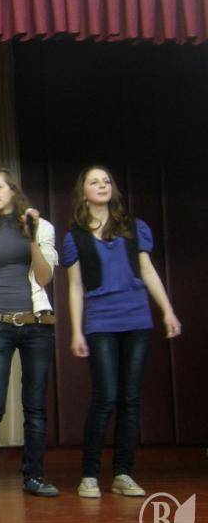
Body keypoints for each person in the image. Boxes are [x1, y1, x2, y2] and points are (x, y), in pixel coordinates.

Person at [63, 165, 181, 499]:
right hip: (100, 321)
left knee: (130, 398)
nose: (102, 185)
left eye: (106, 181)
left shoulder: (134, 227)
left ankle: (123, 473)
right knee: (106, 396)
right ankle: (89, 475)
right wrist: (77, 331)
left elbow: (147, 270)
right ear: (83, 192)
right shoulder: (75, 236)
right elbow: (75, 286)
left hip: (137, 318)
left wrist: (167, 310)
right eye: (94, 182)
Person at [0, 167, 59, 499]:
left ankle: (34, 476)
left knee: (34, 406)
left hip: (37, 325)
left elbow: (45, 277)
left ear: (12, 190)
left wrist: (31, 236)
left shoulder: (41, 227)